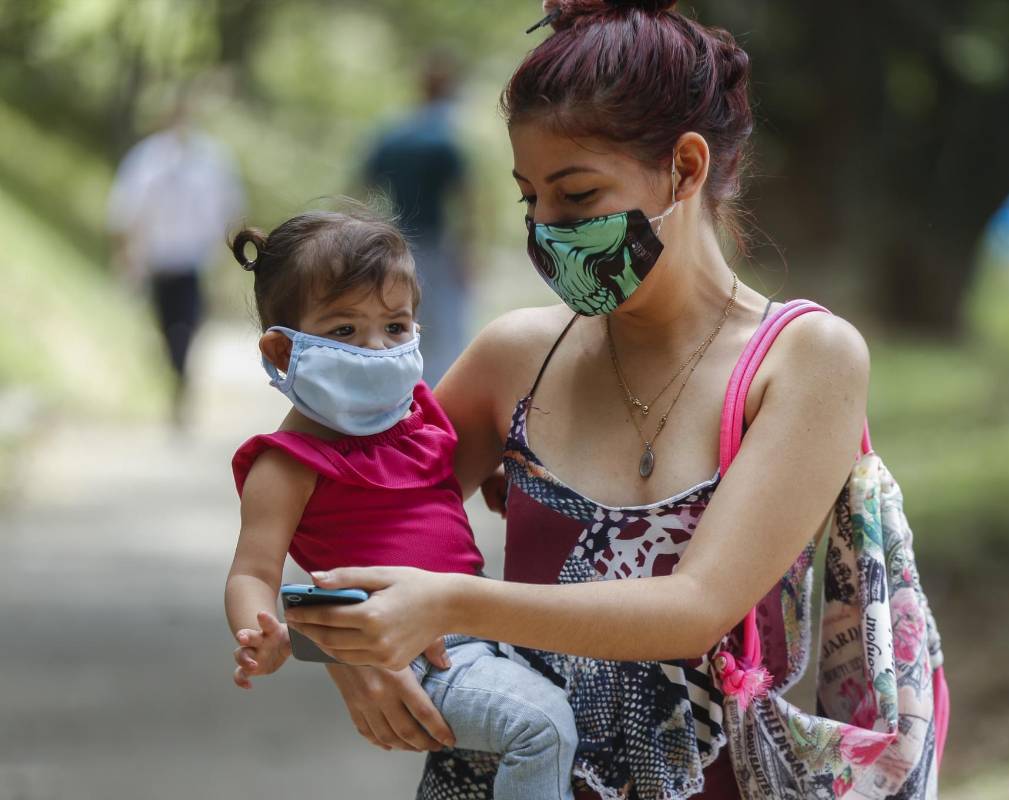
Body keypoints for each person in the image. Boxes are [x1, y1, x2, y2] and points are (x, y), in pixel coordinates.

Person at [287, 2, 871, 797]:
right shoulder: (514, 357)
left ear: (686, 167)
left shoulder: (803, 362)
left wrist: (445, 602)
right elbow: (322, 492)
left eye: (577, 197)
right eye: (530, 200)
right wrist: (347, 648)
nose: (548, 230)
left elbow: (696, 607)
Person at [223, 208, 578, 800]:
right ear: (283, 351)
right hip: (416, 656)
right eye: (344, 331)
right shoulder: (286, 464)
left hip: (484, 628)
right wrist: (260, 631)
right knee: (540, 728)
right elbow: (252, 572)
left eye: (394, 327)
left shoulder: (416, 413)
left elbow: (433, 485)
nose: (376, 348)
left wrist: (493, 474)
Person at [107, 94, 243, 425]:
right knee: (167, 324)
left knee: (187, 323)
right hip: (158, 259)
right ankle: (176, 371)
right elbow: (126, 210)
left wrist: (227, 260)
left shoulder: (212, 160)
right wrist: (126, 254)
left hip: (193, 260)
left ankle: (181, 372)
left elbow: (230, 210)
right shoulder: (146, 159)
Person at [361, 51, 472, 387]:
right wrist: (467, 251)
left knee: (399, 319)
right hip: (435, 243)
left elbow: (364, 188)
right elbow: (465, 199)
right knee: (444, 328)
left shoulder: (393, 135)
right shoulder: (444, 139)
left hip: (395, 242)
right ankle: (438, 396)